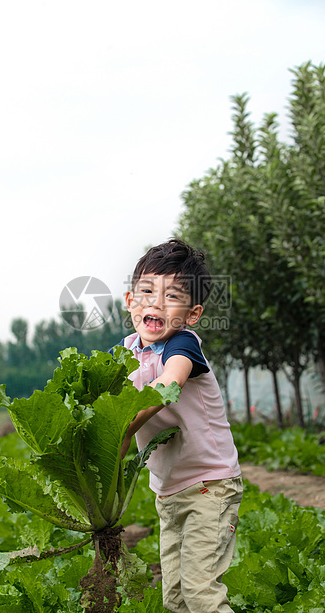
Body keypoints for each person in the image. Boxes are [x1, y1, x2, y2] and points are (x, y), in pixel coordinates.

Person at [116, 238, 242, 613]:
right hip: (168, 493)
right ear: (129, 301)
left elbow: (169, 384)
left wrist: (124, 427)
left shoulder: (182, 346)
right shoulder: (124, 353)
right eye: (146, 291)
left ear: (192, 314)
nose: (155, 303)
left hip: (210, 485)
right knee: (175, 599)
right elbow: (102, 411)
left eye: (171, 296)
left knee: (201, 594)